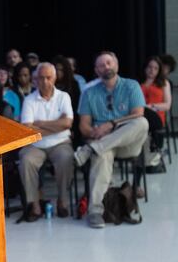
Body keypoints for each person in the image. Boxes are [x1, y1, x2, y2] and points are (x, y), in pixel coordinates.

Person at [74, 51, 149, 229]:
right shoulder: (89, 92)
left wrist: (111, 124)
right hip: (104, 143)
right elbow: (84, 126)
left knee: (142, 122)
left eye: (109, 63)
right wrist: (95, 133)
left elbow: (138, 113)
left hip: (128, 142)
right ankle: (95, 212)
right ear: (96, 70)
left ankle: (90, 149)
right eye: (101, 65)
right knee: (101, 155)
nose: (106, 67)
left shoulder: (131, 86)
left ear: (116, 65)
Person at [18, 63, 75, 221]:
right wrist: (57, 124)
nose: (45, 81)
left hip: (60, 143)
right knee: (26, 161)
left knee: (66, 158)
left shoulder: (64, 97)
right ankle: (35, 205)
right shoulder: (29, 100)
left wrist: (40, 123)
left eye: (48, 77)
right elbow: (28, 129)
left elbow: (68, 123)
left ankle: (62, 201)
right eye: (41, 78)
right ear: (35, 79)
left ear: (55, 78)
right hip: (35, 144)